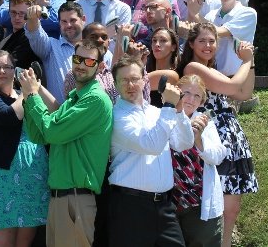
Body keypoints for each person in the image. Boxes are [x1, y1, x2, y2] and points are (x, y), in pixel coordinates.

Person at [19, 39, 114, 247]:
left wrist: (34, 94)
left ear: (99, 66)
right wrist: (28, 96)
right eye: (78, 59)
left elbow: (51, 132)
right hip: (61, 199)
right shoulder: (73, 99)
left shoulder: (95, 99)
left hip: (75, 199)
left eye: (89, 61)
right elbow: (38, 135)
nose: (81, 65)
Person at [177, 23, 257, 247]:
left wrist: (251, 62)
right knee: (218, 207)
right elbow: (232, 87)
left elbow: (244, 92)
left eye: (212, 41)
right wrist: (245, 61)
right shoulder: (193, 67)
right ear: (191, 43)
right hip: (210, 139)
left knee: (232, 209)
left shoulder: (213, 70)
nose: (208, 45)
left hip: (231, 140)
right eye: (202, 41)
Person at [107, 56, 193, 247]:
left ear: (145, 80)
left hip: (165, 206)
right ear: (115, 84)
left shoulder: (157, 112)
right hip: (130, 207)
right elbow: (151, 145)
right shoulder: (117, 116)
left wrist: (178, 110)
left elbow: (184, 143)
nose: (130, 85)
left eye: (134, 79)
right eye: (124, 80)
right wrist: (169, 106)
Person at [0, 50, 54, 247]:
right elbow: (9, 117)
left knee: (24, 243)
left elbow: (55, 112)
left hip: (32, 174)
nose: (1, 71)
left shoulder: (26, 94)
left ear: (15, 70)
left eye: (7, 67)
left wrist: (36, 85)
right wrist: (27, 92)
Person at [171, 75, 227, 247]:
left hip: (199, 202)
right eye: (186, 93)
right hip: (170, 202)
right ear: (177, 93)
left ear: (202, 101)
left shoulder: (205, 122)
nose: (191, 99)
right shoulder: (165, 117)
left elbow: (218, 156)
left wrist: (198, 139)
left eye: (197, 96)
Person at [24, 1, 85, 102]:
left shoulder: (96, 50)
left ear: (83, 19)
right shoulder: (51, 47)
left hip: (91, 110)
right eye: (64, 21)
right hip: (58, 111)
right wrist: (33, 17)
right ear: (59, 23)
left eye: (73, 20)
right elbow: (34, 33)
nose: (68, 25)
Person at [146, 27, 181, 106]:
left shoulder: (172, 75)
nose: (157, 44)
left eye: (163, 40)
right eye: (154, 41)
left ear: (173, 47)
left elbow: (136, 82)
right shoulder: (145, 70)